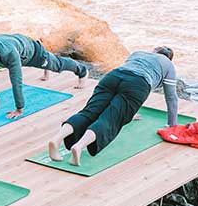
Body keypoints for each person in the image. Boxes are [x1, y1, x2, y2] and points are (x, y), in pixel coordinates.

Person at [47, 47, 178, 166]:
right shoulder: (168, 65)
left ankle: (56, 139)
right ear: (169, 58)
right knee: (109, 120)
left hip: (112, 77)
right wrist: (172, 126)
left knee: (88, 113)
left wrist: (130, 114)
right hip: (138, 84)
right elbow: (171, 97)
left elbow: (127, 76)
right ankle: (79, 146)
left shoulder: (138, 53)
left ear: (153, 51)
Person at [0, 32, 88, 119]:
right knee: (49, 63)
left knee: (56, 65)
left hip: (31, 52)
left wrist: (19, 108)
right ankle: (47, 66)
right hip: (15, 43)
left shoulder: (8, 53)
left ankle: (82, 71)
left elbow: (16, 81)